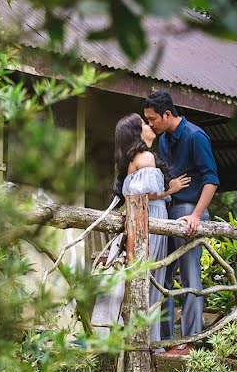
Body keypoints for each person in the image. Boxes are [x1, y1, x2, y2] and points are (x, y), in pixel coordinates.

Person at [90, 113, 190, 344]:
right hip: (149, 216)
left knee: (142, 275)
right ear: (137, 133)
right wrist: (170, 189)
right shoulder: (145, 157)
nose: (150, 126)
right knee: (151, 275)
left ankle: (130, 334)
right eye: (145, 124)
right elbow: (143, 194)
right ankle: (147, 340)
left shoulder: (131, 159)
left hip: (143, 215)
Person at [143, 91, 219, 355]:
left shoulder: (195, 136)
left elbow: (211, 180)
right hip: (168, 210)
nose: (150, 124)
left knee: (189, 276)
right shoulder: (163, 141)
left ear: (167, 114)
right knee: (162, 275)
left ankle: (191, 342)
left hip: (189, 210)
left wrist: (197, 215)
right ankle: (165, 341)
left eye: (153, 119)